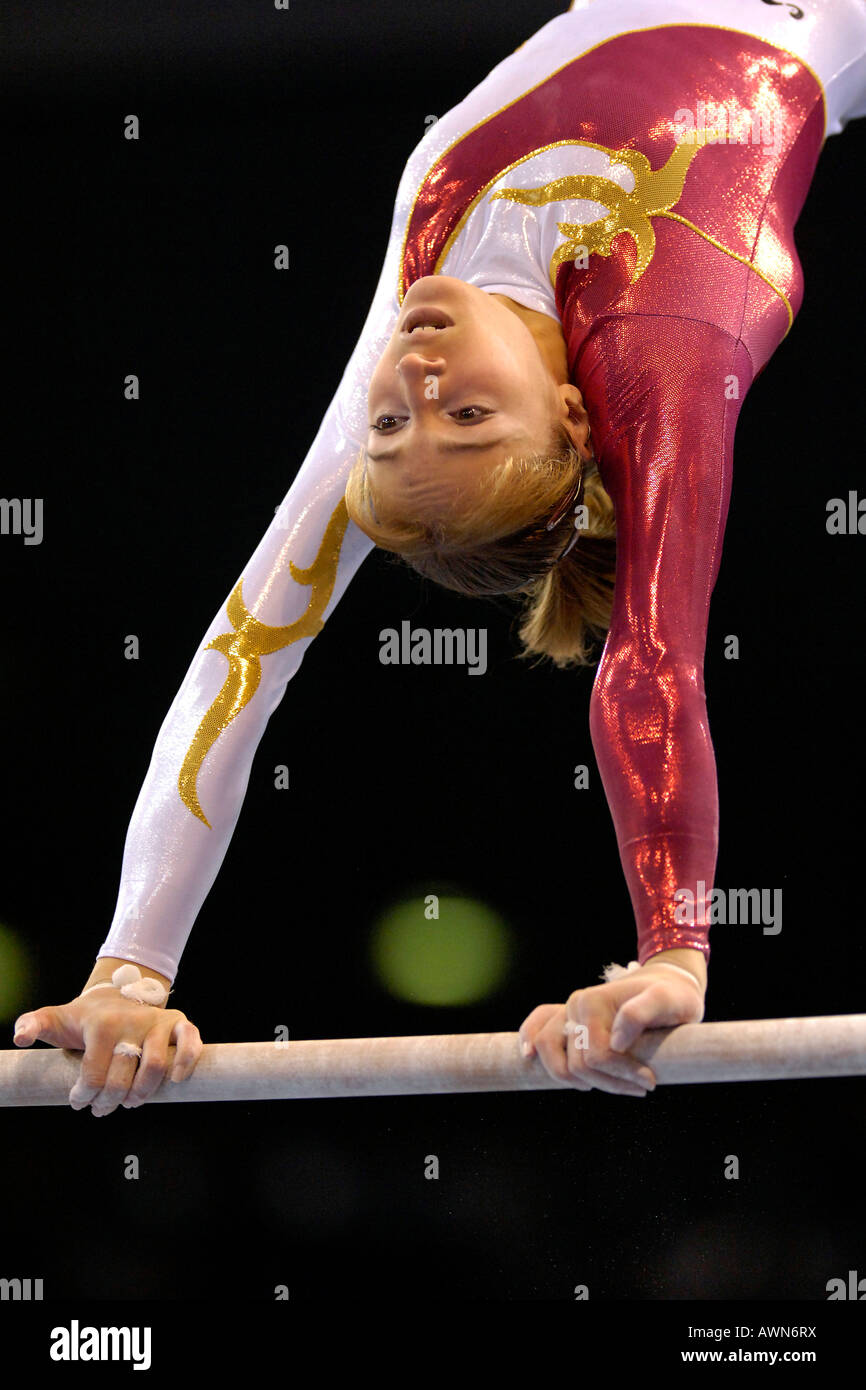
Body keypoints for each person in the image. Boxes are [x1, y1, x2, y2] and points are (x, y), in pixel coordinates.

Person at [13, 0, 866, 1110]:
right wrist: (671, 948)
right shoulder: (666, 345)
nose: (415, 387)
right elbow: (655, 655)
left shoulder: (415, 332)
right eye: (466, 416)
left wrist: (131, 965)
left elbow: (241, 656)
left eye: (391, 429)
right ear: (570, 415)